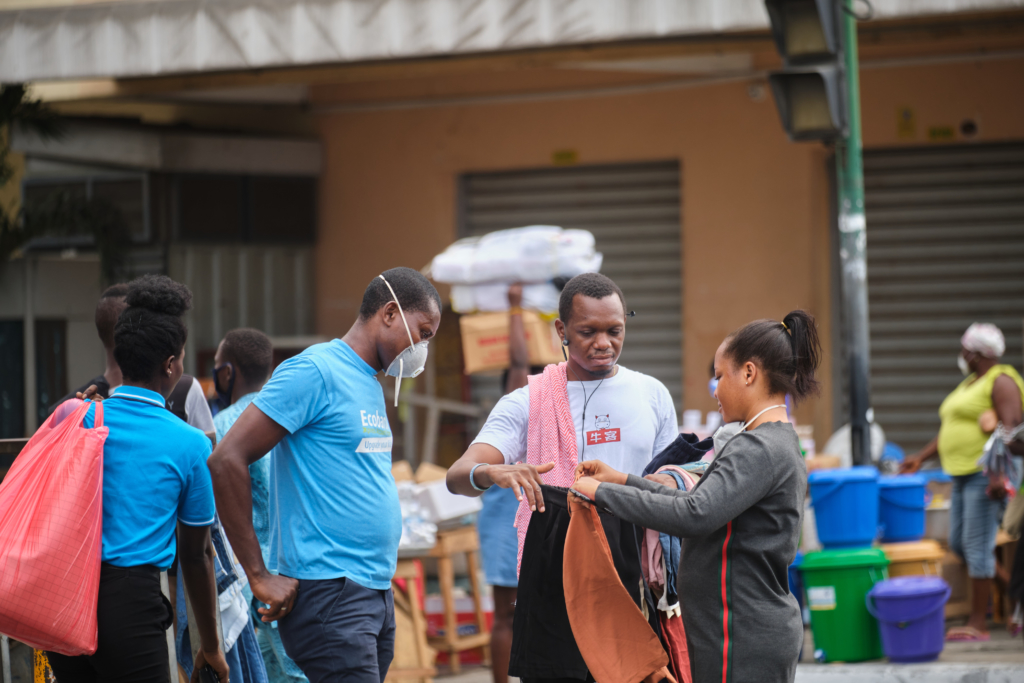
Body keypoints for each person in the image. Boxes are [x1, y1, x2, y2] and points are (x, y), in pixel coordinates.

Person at [209, 268, 442, 683]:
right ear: (389, 313)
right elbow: (227, 458)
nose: (423, 347)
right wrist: (259, 576)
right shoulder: (315, 371)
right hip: (331, 592)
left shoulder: (368, 380)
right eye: (422, 332)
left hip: (372, 588)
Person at [572, 311, 820, 683]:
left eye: (719, 377)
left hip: (742, 634)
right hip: (737, 631)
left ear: (749, 373)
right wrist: (621, 480)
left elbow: (694, 513)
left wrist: (604, 494)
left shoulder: (759, 448)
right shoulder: (768, 442)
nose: (715, 389)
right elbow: (698, 497)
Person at [44, 275, 229, 683]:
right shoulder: (191, 444)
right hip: (130, 603)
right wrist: (211, 647)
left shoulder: (71, 416)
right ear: (170, 366)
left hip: (62, 596)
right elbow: (196, 556)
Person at [446, 271, 679, 550]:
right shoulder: (529, 401)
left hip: (638, 568)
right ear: (561, 330)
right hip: (558, 566)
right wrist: (489, 472)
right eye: (588, 332)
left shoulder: (653, 394)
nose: (603, 343)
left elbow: (669, 484)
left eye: (614, 331)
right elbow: (457, 476)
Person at [900, 322, 1024, 641]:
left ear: (975, 353)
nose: (961, 354)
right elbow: (951, 429)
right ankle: (1015, 595)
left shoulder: (1002, 382)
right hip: (961, 474)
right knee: (959, 544)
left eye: (965, 349)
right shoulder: (971, 383)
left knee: (976, 546)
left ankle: (978, 624)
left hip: (986, 474)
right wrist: (922, 457)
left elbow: (1013, 433)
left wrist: (998, 471)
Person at [211, 328, 307, 683]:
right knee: (300, 671)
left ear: (228, 372)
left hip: (250, 576)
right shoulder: (288, 413)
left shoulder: (221, 426)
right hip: (296, 570)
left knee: (266, 673)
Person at [475, 284, 535, 683]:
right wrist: (516, 309)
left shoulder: (545, 413)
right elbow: (519, 360)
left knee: (517, 616)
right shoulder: (515, 409)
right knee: (506, 616)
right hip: (505, 526)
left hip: (522, 524)